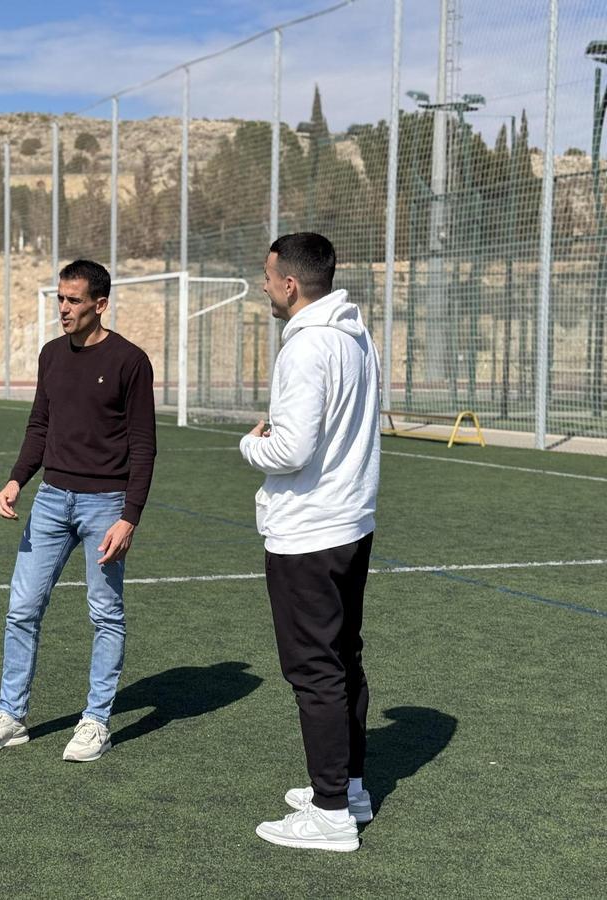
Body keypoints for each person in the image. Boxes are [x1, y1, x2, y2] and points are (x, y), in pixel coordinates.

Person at [0, 259, 157, 762]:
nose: (63, 309)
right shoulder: (51, 355)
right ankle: (11, 715)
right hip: (51, 499)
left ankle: (95, 722)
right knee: (21, 608)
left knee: (105, 614)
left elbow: (143, 445)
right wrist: (16, 479)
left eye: (73, 301)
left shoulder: (130, 361)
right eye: (60, 299)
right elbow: (39, 425)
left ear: (100, 303)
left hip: (106, 506)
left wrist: (129, 515)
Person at [240, 232, 381, 852]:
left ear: (291, 284)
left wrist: (251, 444)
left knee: (314, 669)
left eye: (268, 277)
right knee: (344, 656)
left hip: (309, 532)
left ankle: (329, 815)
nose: (265, 287)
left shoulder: (306, 348)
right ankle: (348, 787)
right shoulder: (356, 335)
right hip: (351, 523)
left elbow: (291, 448)